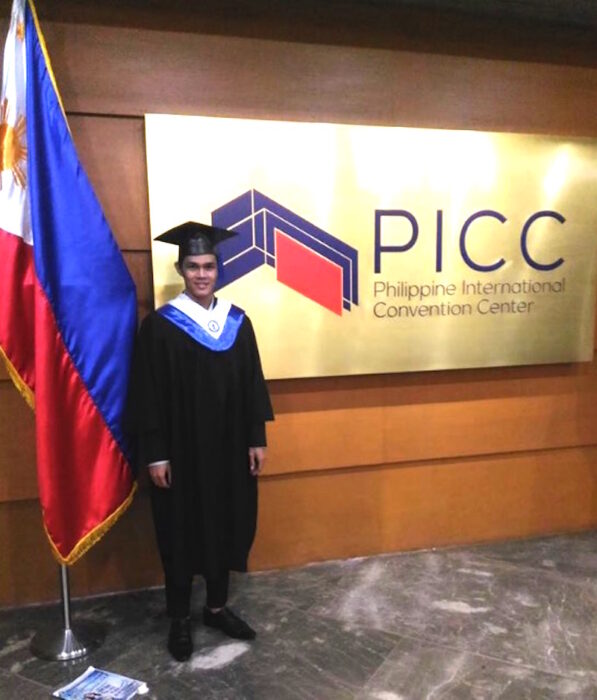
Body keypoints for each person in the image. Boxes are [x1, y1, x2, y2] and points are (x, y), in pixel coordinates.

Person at [126, 221, 274, 662]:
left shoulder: (236, 322)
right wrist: (155, 453)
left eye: (209, 265)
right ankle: (180, 619)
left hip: (229, 452)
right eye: (193, 266)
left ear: (218, 268)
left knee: (226, 521)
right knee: (180, 528)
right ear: (181, 269)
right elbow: (146, 395)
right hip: (182, 454)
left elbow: (252, 385)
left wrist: (256, 438)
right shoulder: (160, 328)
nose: (202, 274)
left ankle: (215, 607)